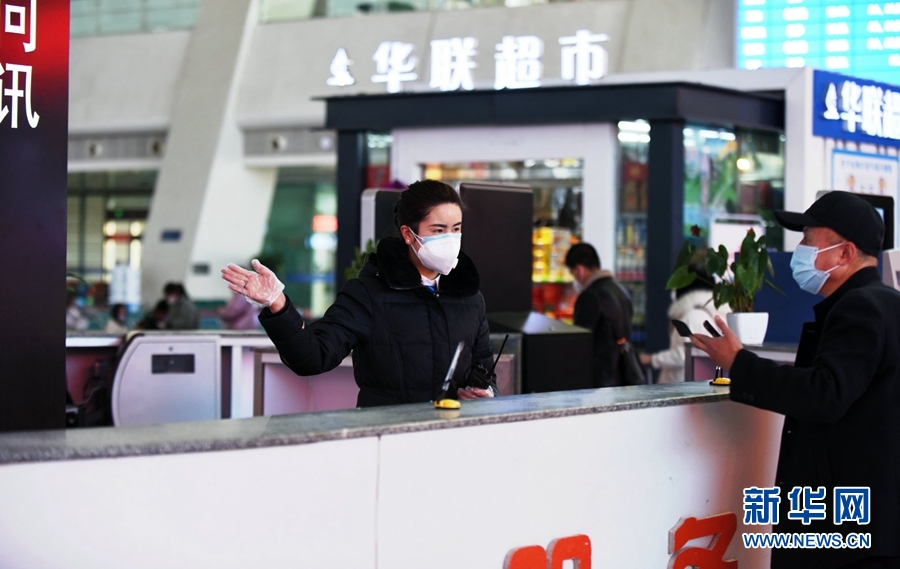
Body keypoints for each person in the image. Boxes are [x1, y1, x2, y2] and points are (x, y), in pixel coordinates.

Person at [691, 191, 900, 569]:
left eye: (808, 239)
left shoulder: (860, 307)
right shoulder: (886, 303)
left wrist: (739, 363)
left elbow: (824, 394)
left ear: (845, 253)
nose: (799, 250)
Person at [221, 179, 497, 407]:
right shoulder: (368, 293)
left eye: (456, 229)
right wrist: (278, 305)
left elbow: (484, 371)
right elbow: (313, 356)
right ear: (408, 234)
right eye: (438, 230)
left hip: (453, 437)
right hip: (387, 438)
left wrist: (485, 393)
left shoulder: (470, 298)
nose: (450, 239)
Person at [639, 264, 730, 383]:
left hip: (681, 383)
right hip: (696, 381)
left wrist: (652, 359)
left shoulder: (693, 316)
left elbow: (683, 355)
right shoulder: (714, 312)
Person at [564, 243, 634, 388]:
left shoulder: (590, 296)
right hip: (622, 375)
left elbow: (580, 342)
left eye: (572, 273)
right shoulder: (621, 290)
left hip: (599, 380)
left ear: (579, 269)